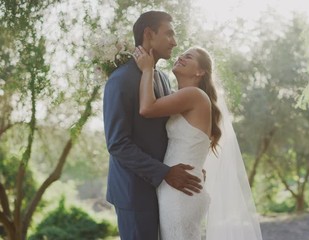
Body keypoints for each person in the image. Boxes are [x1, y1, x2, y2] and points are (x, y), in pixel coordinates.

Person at [134, 45, 263, 239]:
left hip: (180, 191)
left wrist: (146, 69)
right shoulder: (185, 97)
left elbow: (147, 108)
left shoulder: (193, 95)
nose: (181, 57)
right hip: (181, 186)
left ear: (200, 71)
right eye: (181, 54)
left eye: (189, 56)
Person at [103, 10, 203, 240]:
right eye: (169, 34)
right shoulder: (120, 80)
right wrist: (164, 173)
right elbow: (117, 144)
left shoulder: (163, 78)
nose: (175, 42)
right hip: (134, 193)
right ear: (149, 34)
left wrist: (191, 163)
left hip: (165, 190)